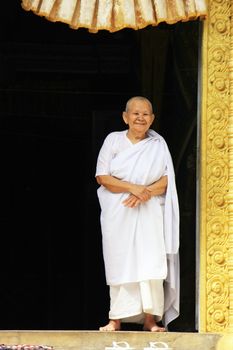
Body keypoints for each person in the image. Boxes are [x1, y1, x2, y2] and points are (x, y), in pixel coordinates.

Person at [95, 96, 179, 332]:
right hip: (119, 213)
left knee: (150, 262)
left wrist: (146, 193)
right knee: (120, 261)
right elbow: (102, 177)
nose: (140, 118)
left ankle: (151, 320)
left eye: (145, 114)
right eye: (135, 113)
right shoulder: (113, 140)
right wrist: (134, 188)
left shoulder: (158, 145)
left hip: (150, 212)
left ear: (152, 119)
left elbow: (167, 180)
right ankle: (116, 319)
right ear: (126, 117)